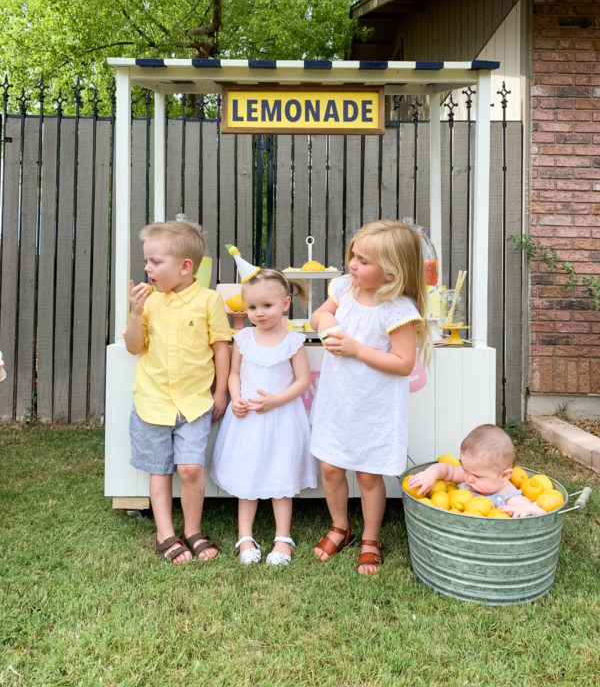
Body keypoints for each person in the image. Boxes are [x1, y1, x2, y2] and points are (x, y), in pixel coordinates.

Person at [310, 219, 432, 575]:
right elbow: (320, 314)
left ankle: (371, 537)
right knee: (331, 467)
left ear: (392, 273)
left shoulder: (397, 310)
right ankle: (340, 526)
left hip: (374, 407)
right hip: (338, 400)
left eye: (364, 261)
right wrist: (325, 326)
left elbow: (403, 362)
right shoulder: (344, 289)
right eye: (353, 255)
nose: (353, 264)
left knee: (367, 475)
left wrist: (355, 349)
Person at [124, 220, 231, 564]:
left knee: (190, 469)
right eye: (146, 261)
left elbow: (221, 349)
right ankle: (165, 534)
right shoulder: (149, 303)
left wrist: (222, 393)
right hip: (153, 403)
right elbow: (133, 346)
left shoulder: (210, 301)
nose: (147, 268)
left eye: (155, 262)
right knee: (160, 469)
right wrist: (135, 312)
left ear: (186, 267)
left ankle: (193, 529)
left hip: (195, 404)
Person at [211, 269, 317, 565]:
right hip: (247, 420)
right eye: (252, 307)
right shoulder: (243, 338)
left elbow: (301, 382)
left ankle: (282, 537)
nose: (258, 313)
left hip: (281, 418)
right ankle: (245, 535)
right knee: (248, 474)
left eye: (266, 306)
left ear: (285, 304)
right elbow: (233, 374)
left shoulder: (293, 341)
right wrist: (235, 398)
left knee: (279, 473)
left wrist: (276, 400)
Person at [407, 424, 546, 517]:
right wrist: (431, 474)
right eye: (465, 470)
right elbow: (446, 470)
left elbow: (540, 514)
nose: (468, 478)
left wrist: (530, 509)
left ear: (505, 476)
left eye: (477, 476)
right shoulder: (469, 476)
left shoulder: (509, 496)